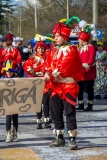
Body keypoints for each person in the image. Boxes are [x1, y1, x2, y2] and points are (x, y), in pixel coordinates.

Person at [44, 18, 84, 150]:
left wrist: (52, 73)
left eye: (57, 35)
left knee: (69, 112)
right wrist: (47, 72)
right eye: (54, 35)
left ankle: (72, 138)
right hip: (55, 86)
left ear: (64, 36)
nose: (54, 38)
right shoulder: (52, 51)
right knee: (55, 112)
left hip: (68, 86)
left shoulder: (72, 50)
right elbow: (47, 65)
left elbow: (66, 66)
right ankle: (59, 137)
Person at [23, 39, 52, 129]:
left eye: (42, 48)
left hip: (46, 83)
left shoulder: (47, 58)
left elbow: (50, 67)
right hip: (36, 83)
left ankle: (47, 121)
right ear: (36, 49)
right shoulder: (32, 58)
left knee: (45, 102)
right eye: (39, 48)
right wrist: (31, 71)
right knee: (38, 103)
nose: (40, 50)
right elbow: (26, 66)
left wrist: (45, 72)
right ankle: (39, 121)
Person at [76, 30, 96, 111]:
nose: (78, 40)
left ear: (83, 39)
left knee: (89, 89)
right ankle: (80, 104)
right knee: (79, 89)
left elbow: (91, 58)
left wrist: (87, 65)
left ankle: (90, 105)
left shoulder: (91, 47)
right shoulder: (79, 48)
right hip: (81, 72)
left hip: (89, 72)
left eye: (79, 39)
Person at [1, 60, 19, 142]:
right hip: (7, 101)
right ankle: (8, 134)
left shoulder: (17, 79)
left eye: (10, 71)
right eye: (7, 71)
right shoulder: (2, 79)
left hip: (15, 101)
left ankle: (15, 133)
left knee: (15, 118)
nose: (9, 73)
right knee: (8, 118)